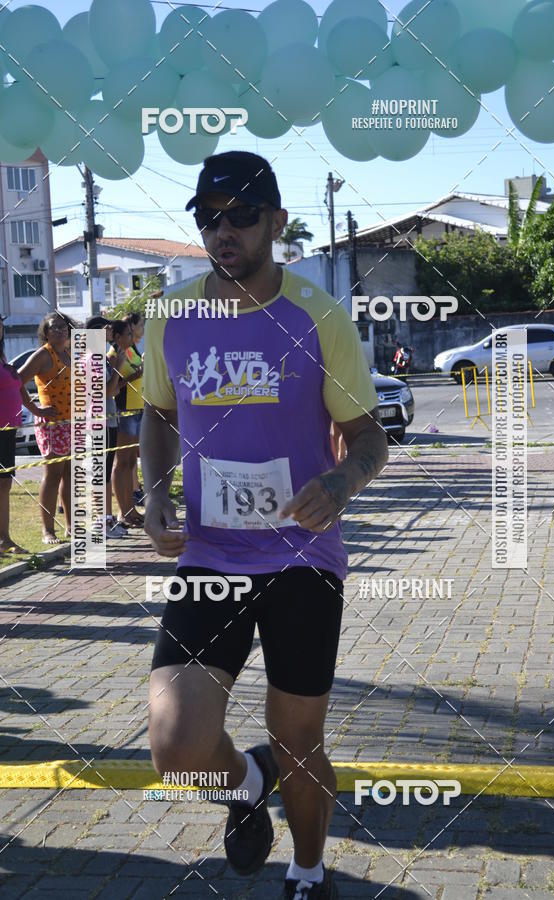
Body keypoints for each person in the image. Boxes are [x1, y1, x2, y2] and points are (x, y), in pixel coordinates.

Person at [141, 151, 388, 899]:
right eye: (208, 218)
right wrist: (154, 493)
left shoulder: (318, 316)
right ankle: (247, 782)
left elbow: (370, 435)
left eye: (241, 216)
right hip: (212, 556)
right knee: (176, 746)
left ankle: (309, 873)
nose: (224, 232)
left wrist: (341, 482)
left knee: (299, 740)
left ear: (276, 223)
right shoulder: (172, 315)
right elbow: (157, 411)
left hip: (301, 558)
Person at [18, 312, 76, 544]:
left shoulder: (70, 353)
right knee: (52, 475)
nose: (60, 331)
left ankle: (72, 526)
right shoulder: (44, 355)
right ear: (46, 333)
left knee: (71, 475)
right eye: (55, 328)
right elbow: (18, 380)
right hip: (53, 425)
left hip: (72, 423)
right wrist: (36, 409)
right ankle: (47, 530)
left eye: (63, 327)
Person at [0, 315, 55, 554]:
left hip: (9, 431)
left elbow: (19, 388)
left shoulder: (2, 359)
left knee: (4, 484)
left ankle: (4, 539)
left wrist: (37, 410)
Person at [85, 316, 127, 540]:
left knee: (106, 472)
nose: (110, 330)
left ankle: (107, 519)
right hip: (98, 421)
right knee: (100, 474)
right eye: (105, 327)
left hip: (109, 419)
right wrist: (118, 367)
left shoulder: (101, 358)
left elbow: (114, 391)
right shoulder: (93, 359)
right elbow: (107, 392)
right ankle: (100, 522)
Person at [108, 319, 144, 528]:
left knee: (131, 463)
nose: (132, 338)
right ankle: (123, 512)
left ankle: (131, 510)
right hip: (124, 411)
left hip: (138, 410)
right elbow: (114, 387)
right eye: (128, 334)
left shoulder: (132, 352)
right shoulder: (113, 355)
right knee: (121, 464)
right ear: (118, 337)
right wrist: (135, 376)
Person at [123, 312, 145, 506]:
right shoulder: (125, 351)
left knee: (133, 456)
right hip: (127, 408)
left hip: (138, 406)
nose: (143, 329)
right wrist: (142, 369)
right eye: (140, 325)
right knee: (126, 457)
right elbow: (128, 375)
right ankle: (132, 490)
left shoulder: (134, 349)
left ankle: (136, 488)